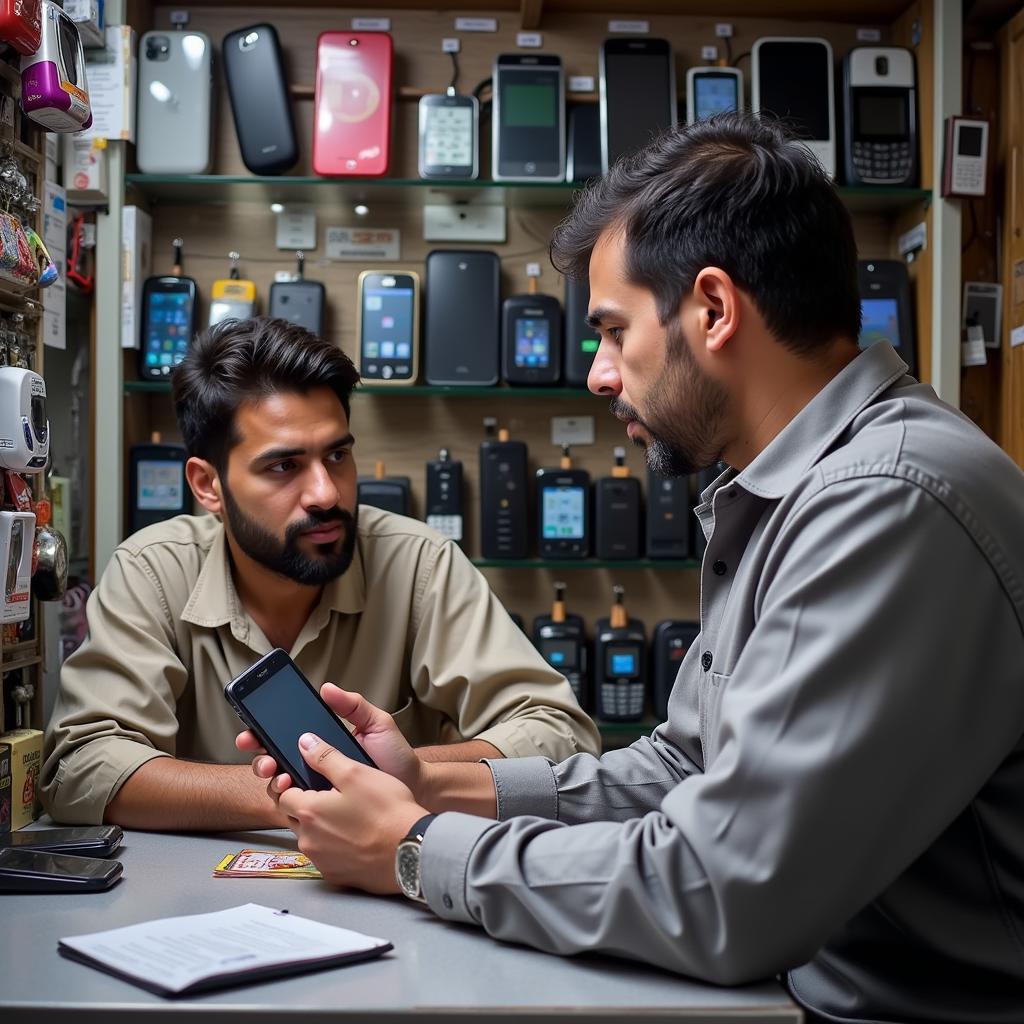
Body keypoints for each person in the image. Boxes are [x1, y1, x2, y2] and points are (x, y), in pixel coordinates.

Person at [241, 114, 1024, 1023]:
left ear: (715, 309)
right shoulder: (793, 489)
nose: (598, 375)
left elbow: (722, 890)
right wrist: (430, 783)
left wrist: (415, 850)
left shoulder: (888, 503)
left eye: (612, 332)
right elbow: (683, 766)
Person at [41, 317, 598, 830]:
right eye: (284, 466)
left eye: (337, 456)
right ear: (208, 485)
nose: (327, 493)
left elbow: (562, 737)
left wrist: (415, 772)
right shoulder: (152, 572)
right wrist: (308, 788)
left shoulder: (418, 562)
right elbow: (80, 768)